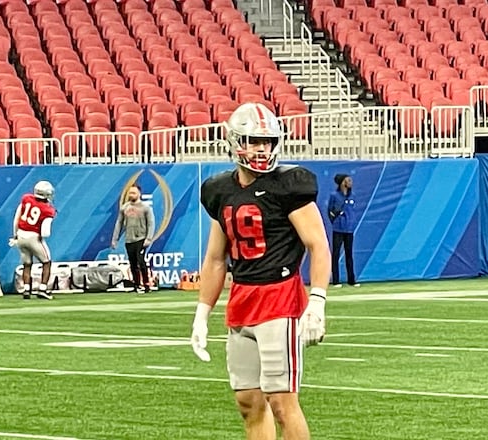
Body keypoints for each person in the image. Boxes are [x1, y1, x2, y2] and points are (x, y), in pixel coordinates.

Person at [190, 103, 331, 440]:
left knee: (282, 401)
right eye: (254, 141)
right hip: (242, 298)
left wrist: (318, 301)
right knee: (248, 401)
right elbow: (215, 258)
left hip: (279, 298)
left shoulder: (288, 185)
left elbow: (318, 245)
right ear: (235, 141)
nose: (262, 149)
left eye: (267, 142)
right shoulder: (220, 190)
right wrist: (201, 314)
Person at [11, 180, 56, 300]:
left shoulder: (26, 198)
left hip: (21, 235)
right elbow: (45, 232)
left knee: (27, 264)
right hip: (34, 236)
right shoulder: (48, 210)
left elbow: (17, 217)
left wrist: (15, 235)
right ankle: (42, 289)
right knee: (46, 262)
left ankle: (26, 290)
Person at [111, 184, 156, 293]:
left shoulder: (145, 207)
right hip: (129, 240)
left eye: (134, 193)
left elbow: (151, 223)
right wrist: (115, 239)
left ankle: (146, 284)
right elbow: (119, 223)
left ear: (139, 193)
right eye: (130, 193)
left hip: (141, 239)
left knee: (141, 261)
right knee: (133, 263)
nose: (131, 195)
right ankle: (136, 285)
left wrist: (149, 238)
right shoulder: (124, 208)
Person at [327, 173, 359, 287]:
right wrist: (335, 222)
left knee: (349, 254)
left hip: (349, 229)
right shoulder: (334, 195)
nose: (350, 182)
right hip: (338, 229)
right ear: (342, 182)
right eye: (348, 180)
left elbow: (353, 211)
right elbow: (330, 210)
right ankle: (336, 280)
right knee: (336, 254)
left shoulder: (352, 196)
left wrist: (351, 222)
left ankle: (351, 280)